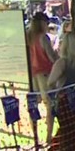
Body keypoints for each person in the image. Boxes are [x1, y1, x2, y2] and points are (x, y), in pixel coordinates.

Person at [27, 11, 59, 143]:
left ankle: (35, 136)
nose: (48, 25)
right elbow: (51, 57)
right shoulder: (43, 38)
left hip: (33, 74)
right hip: (46, 74)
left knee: (34, 104)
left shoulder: (29, 37)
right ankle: (48, 137)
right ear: (42, 23)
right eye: (46, 23)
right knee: (50, 105)